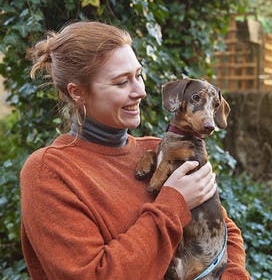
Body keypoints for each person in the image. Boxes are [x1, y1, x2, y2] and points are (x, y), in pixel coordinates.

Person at [20, 21, 250, 279]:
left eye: (138, 75)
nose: (140, 91)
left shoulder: (162, 151)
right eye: (121, 82)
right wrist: (173, 204)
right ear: (78, 93)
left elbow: (225, 234)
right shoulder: (50, 172)